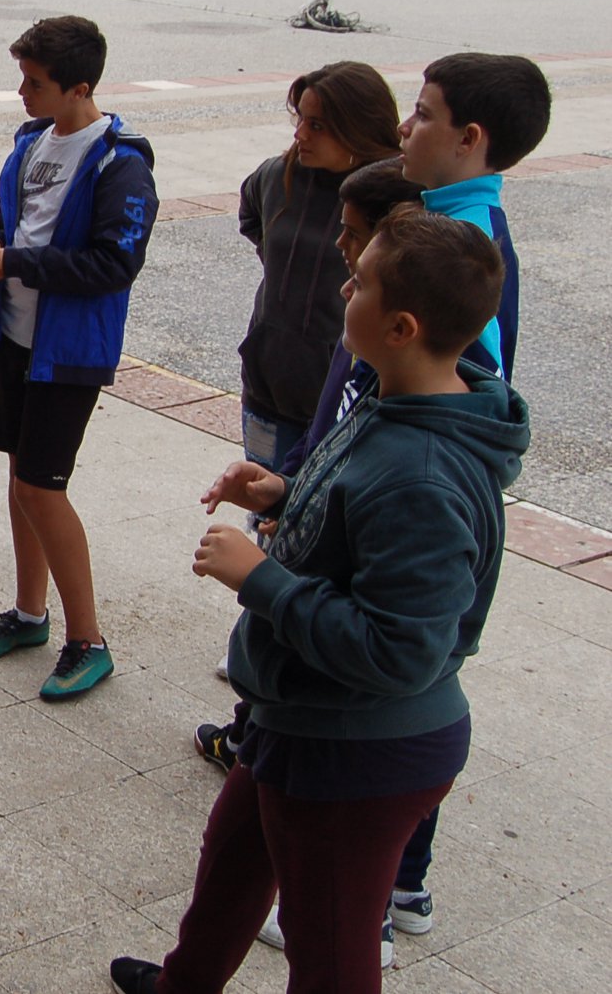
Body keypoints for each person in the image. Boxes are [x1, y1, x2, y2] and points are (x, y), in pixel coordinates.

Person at [110, 211, 528, 994]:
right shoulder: (398, 395)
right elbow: (358, 514)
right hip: (297, 714)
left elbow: (399, 649)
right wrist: (286, 491)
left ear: (400, 325)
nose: (345, 285)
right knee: (233, 861)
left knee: (330, 954)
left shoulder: (425, 474)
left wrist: (260, 579)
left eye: (359, 280)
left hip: (357, 750)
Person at [0, 16, 158, 700]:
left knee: (45, 487)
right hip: (12, 337)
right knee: (21, 479)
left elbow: (113, 264)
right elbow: (14, 217)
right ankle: (29, 612)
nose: (21, 90)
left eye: (35, 81)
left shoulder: (121, 164)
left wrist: (12, 259)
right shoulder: (31, 141)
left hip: (67, 353)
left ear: (79, 88)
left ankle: (88, 639)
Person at [236, 62, 402, 471]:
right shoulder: (278, 176)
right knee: (264, 509)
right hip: (268, 384)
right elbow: (250, 214)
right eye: (300, 120)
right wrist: (281, 262)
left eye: (317, 126)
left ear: (357, 128)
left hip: (344, 394)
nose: (300, 135)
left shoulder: (392, 194)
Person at [399, 52, 550, 381]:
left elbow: (482, 382)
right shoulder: (455, 219)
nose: (404, 126)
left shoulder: (464, 246)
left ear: (467, 138)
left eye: (422, 115)